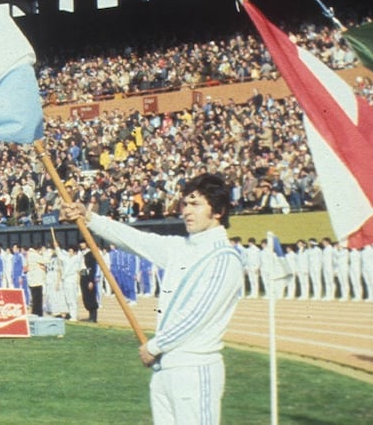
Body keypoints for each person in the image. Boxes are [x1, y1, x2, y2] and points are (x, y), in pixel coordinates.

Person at [62, 173, 245, 424]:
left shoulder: (224, 258)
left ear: (219, 211)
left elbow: (197, 316)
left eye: (196, 204)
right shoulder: (182, 247)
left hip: (194, 369)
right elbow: (137, 240)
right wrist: (90, 217)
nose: (187, 211)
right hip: (165, 369)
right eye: (185, 204)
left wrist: (155, 346)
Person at [79, 243, 100, 323]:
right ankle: (90, 315)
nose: (81, 245)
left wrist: (91, 280)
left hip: (89, 276)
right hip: (83, 276)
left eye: (83, 243)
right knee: (86, 297)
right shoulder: (81, 254)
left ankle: (94, 317)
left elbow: (92, 268)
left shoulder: (90, 254)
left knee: (91, 297)